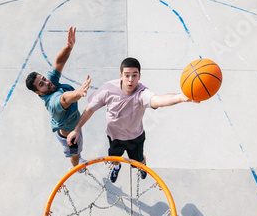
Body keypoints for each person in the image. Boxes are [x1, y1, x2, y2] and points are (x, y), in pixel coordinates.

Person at [67, 57, 197, 183]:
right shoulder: (108, 89)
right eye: (127, 75)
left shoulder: (142, 93)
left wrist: (181, 97)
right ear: (121, 75)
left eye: (134, 75)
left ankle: (142, 163)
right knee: (115, 158)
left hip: (135, 137)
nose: (130, 80)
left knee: (137, 163)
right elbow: (89, 109)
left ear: (139, 76)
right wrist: (76, 129)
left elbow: (159, 100)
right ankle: (116, 167)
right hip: (114, 136)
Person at [25, 27, 91, 168]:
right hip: (70, 137)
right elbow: (64, 99)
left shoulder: (50, 85)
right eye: (42, 84)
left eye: (44, 79)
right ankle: (76, 167)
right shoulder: (52, 102)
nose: (47, 82)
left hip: (69, 127)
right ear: (38, 92)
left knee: (77, 152)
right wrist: (79, 93)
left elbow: (59, 63)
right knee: (76, 154)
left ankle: (77, 160)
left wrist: (69, 46)